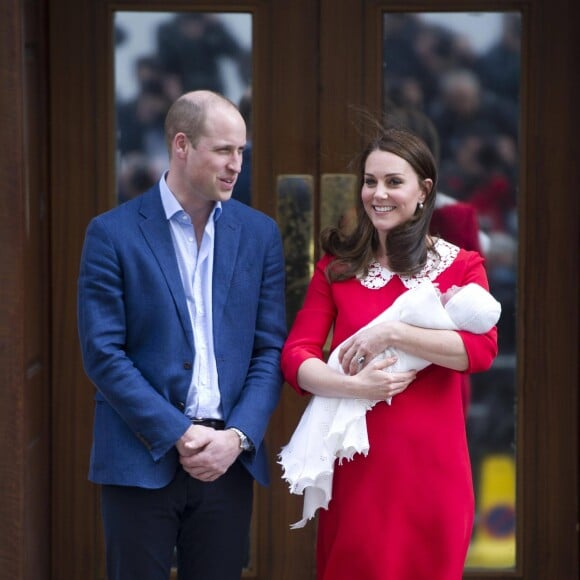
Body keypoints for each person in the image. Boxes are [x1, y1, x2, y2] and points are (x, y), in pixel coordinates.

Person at [78, 90, 287, 580]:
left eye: (242, 151)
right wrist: (179, 432)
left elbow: (268, 348)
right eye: (223, 150)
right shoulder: (112, 234)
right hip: (139, 457)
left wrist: (236, 437)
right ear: (181, 145)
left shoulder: (259, 235)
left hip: (227, 464)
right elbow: (103, 353)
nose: (236, 165)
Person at [280, 126, 498, 579]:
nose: (378, 194)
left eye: (394, 182)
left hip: (434, 473)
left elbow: (480, 352)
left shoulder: (461, 267)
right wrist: (352, 385)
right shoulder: (336, 268)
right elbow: (297, 356)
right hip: (359, 472)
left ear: (424, 191)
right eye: (370, 181)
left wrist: (394, 333)